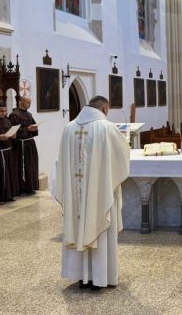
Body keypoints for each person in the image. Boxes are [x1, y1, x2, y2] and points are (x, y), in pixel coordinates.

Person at [53, 96, 130, 290]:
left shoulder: (68, 128)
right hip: (99, 193)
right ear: (104, 108)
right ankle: (101, 278)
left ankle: (82, 277)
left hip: (76, 196)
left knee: (79, 226)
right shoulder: (107, 128)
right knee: (99, 223)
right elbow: (122, 155)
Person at [9, 97, 40, 195]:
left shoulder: (29, 115)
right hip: (20, 145)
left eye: (30, 103)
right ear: (21, 102)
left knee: (31, 165)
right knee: (22, 166)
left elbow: (33, 127)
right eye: (27, 102)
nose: (29, 104)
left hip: (30, 144)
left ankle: (30, 187)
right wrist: (27, 129)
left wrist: (34, 128)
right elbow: (14, 131)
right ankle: (21, 188)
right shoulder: (14, 115)